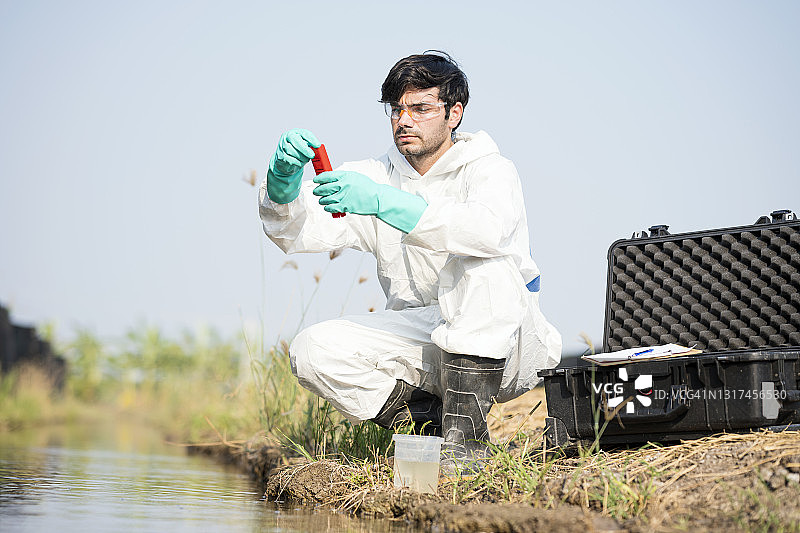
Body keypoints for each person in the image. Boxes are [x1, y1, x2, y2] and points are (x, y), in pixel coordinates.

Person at [258, 51, 561, 472]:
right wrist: (282, 184)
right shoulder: (374, 175)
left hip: (507, 345)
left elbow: (484, 231)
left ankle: (466, 448)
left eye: (420, 108)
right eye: (397, 109)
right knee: (313, 350)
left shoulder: (490, 170)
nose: (404, 120)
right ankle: (433, 431)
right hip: (424, 340)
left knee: (481, 265)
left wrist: (387, 204)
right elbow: (297, 232)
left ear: (454, 113)